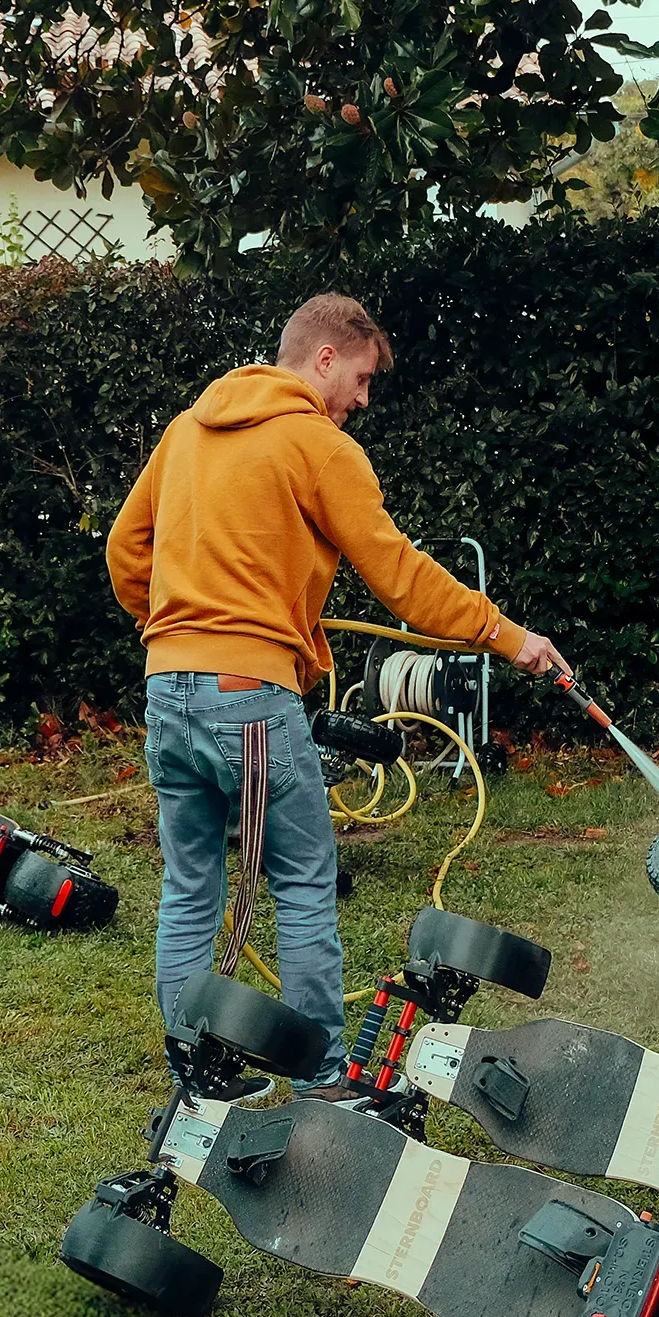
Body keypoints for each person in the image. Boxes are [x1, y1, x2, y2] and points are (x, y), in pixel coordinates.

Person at [107, 293, 571, 1096]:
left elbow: (125, 548)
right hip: (247, 697)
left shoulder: (187, 430)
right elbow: (401, 574)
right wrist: (506, 635)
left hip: (167, 689)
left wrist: (174, 629)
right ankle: (323, 1078)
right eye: (359, 379)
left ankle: (198, 1070)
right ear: (324, 358)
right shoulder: (317, 445)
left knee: (189, 885)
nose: (362, 399)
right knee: (302, 878)